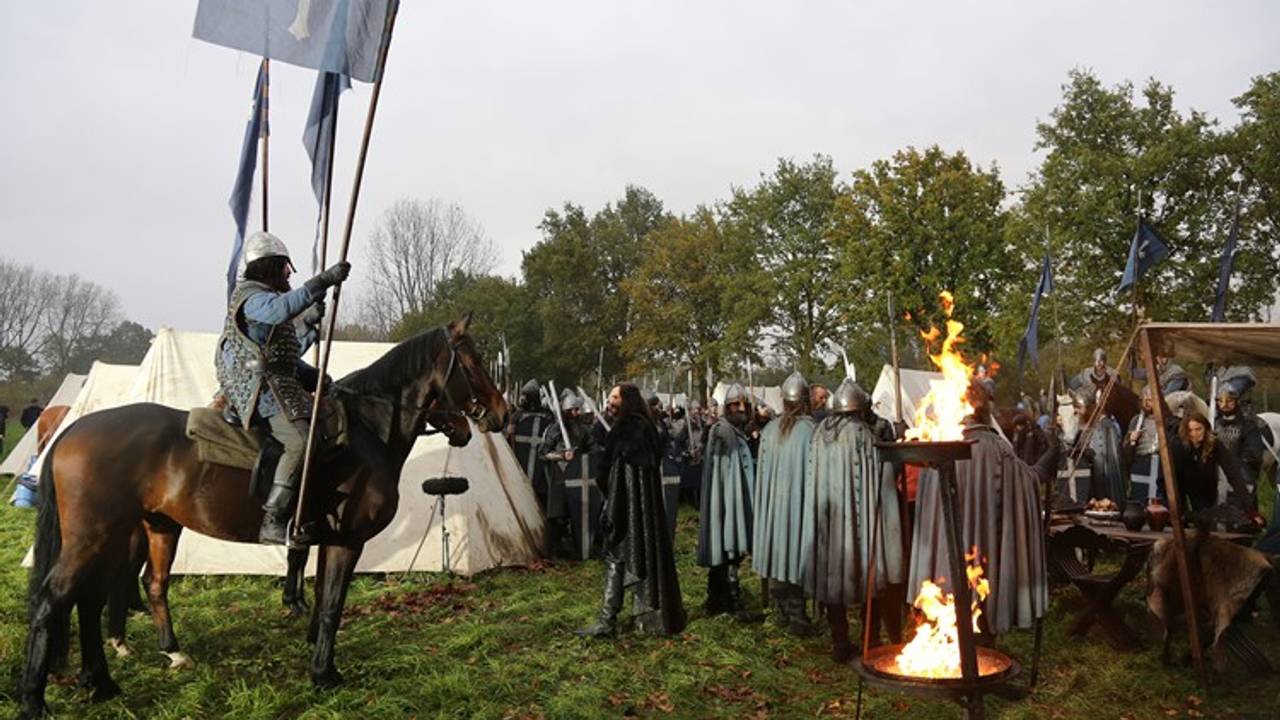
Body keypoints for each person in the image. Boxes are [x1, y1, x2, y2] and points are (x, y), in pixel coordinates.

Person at [215, 231, 349, 545]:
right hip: (258, 388)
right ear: (268, 268)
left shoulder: (268, 299)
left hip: (277, 382)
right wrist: (323, 281)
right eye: (284, 267)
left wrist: (315, 375)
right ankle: (272, 520)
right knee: (301, 442)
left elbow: (283, 358)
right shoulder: (252, 297)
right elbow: (280, 311)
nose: (289, 273)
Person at [909, 380, 1058, 637]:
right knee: (982, 591)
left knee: (948, 601)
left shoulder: (939, 444)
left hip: (944, 557)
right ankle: (983, 645)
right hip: (983, 551)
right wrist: (1051, 456)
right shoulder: (997, 448)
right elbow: (1028, 482)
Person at [802, 378, 905, 662]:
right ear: (860, 409)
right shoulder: (862, 433)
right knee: (870, 571)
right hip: (858, 518)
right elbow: (879, 476)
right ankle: (869, 640)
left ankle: (840, 640)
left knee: (832, 575)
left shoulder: (820, 431)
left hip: (828, 518)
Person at [576, 383, 686, 638]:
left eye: (615, 397)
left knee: (617, 553)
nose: (611, 402)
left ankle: (607, 620)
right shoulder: (647, 427)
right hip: (641, 508)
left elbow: (611, 473)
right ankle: (632, 617)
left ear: (627, 401)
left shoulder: (625, 430)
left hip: (624, 504)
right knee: (637, 552)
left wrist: (610, 502)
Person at [753, 371, 818, 635]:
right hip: (799, 502)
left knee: (780, 548)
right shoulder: (813, 431)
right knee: (797, 551)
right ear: (805, 401)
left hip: (775, 504)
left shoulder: (770, 430)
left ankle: (783, 609)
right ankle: (795, 613)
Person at [696, 383, 760, 622]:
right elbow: (727, 468)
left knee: (728, 551)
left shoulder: (735, 430)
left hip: (733, 496)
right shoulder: (722, 431)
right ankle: (732, 603)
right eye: (735, 405)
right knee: (729, 549)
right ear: (727, 407)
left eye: (744, 405)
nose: (741, 409)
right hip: (725, 498)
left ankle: (716, 600)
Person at [538, 391, 597, 557]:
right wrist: (561, 455)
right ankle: (554, 549)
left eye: (578, 410)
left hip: (578, 475)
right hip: (559, 474)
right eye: (573, 410)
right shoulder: (555, 429)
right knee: (558, 514)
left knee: (578, 512)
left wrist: (591, 456)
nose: (577, 413)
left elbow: (592, 450)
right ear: (565, 411)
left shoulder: (583, 430)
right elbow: (543, 453)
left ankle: (578, 546)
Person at [1168, 411, 1256, 519]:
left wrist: (1249, 507)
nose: (1195, 434)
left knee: (1205, 519)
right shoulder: (1178, 445)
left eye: (1198, 429)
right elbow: (1171, 477)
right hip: (1181, 485)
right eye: (1191, 430)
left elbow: (1232, 473)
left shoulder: (1215, 444)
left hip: (1205, 487)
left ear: (1206, 428)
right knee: (1181, 519)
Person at [1213, 367, 1265, 498]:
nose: (1224, 405)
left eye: (1229, 401)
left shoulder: (1248, 425)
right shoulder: (1214, 424)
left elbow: (1254, 454)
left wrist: (1233, 465)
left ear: (1236, 402)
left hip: (1241, 478)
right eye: (1221, 401)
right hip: (1217, 478)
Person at [1125, 386, 1162, 500]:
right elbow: (1126, 448)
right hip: (1140, 463)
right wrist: (1131, 440)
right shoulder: (1136, 420)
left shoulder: (1168, 421)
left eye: (1150, 400)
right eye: (1144, 400)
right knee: (1139, 498)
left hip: (1160, 465)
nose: (1147, 404)